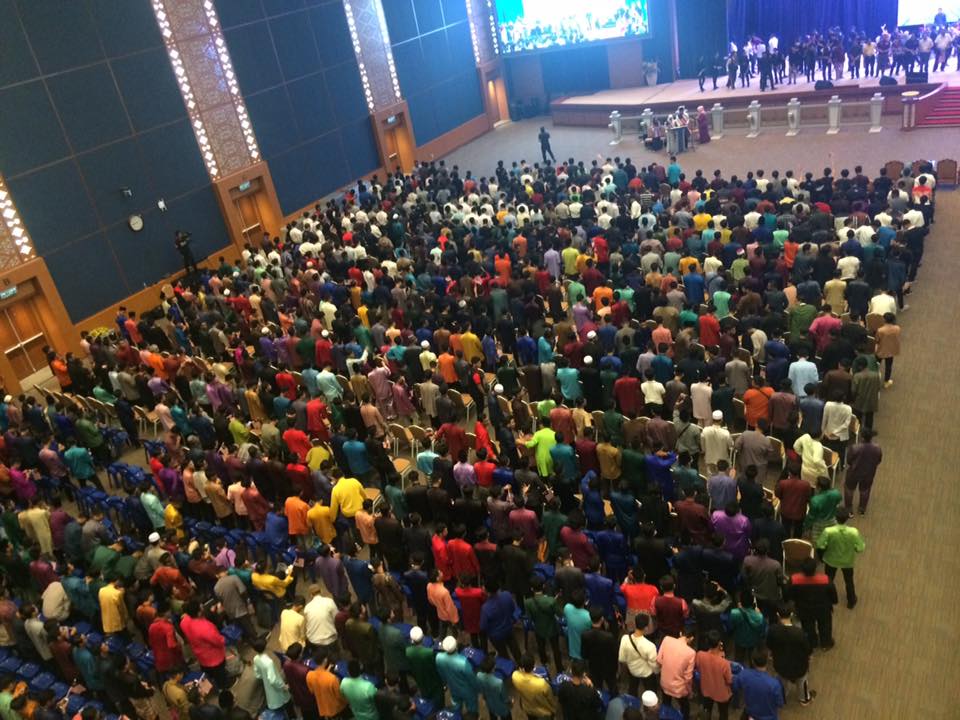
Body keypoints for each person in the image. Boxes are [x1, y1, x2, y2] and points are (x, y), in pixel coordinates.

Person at [816, 508, 866, 609]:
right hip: (847, 561)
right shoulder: (854, 532)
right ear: (847, 518)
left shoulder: (828, 531)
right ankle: (851, 600)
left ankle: (826, 598)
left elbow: (820, 544)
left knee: (828, 580)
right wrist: (854, 548)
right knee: (849, 581)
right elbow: (860, 548)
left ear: (836, 518)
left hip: (831, 559)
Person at [766, 605, 815, 706]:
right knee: (802, 681)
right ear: (791, 614)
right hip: (799, 664)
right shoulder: (799, 633)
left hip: (780, 663)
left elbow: (769, 645)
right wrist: (809, 657)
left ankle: (782, 697)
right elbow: (807, 648)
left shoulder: (773, 630)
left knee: (782, 681)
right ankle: (804, 699)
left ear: (778, 615)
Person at [694, 630, 733, 720]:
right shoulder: (724, 663)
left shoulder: (699, 655)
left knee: (707, 710)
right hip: (721, 693)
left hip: (706, 689)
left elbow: (698, 668)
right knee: (723, 713)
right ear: (719, 643)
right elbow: (729, 680)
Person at [843, 429, 883, 514]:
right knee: (865, 490)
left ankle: (849, 509)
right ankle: (862, 509)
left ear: (862, 437)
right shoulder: (877, 448)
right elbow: (878, 460)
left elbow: (849, 461)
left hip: (854, 473)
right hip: (868, 473)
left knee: (849, 489)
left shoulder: (855, 448)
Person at [512, 653, 558, 719]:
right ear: (533, 666)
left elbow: (517, 672)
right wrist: (554, 709)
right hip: (544, 712)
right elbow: (550, 698)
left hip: (528, 709)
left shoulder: (515, 676)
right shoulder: (541, 683)